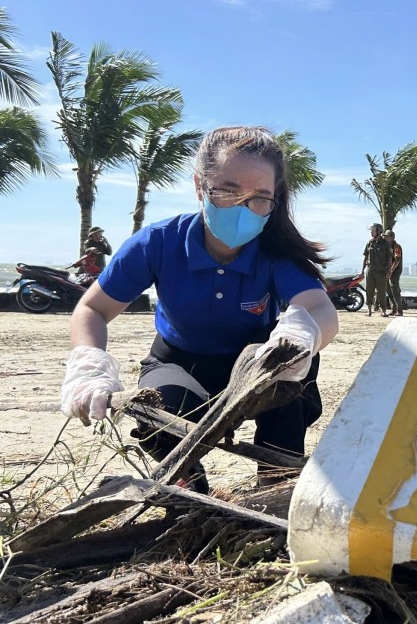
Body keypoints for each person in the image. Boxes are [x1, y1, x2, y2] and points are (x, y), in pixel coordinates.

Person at [61, 126, 339, 489]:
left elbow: (318, 308)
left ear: (275, 199)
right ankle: (188, 489)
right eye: (228, 190)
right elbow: (92, 309)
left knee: (292, 379)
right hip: (179, 360)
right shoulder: (158, 243)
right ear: (199, 186)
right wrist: (89, 365)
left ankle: (277, 487)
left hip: (257, 361)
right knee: (154, 413)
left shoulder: (275, 253)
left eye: (260, 197)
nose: (243, 207)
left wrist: (300, 335)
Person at [362, 223, 391, 317]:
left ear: (378, 231)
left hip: (381, 271)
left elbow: (389, 258)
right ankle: (369, 310)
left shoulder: (385, 244)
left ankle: (383, 311)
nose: (371, 232)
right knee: (369, 290)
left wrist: (389, 271)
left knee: (381, 291)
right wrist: (362, 270)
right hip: (370, 271)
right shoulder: (369, 243)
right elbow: (365, 257)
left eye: (372, 231)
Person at [384, 229, 404, 316]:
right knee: (389, 290)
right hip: (388, 271)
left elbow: (397, 259)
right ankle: (393, 309)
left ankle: (399, 310)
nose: (385, 238)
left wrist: (391, 270)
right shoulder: (387, 247)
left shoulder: (396, 246)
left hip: (395, 271)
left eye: (387, 237)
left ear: (391, 237)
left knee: (395, 289)